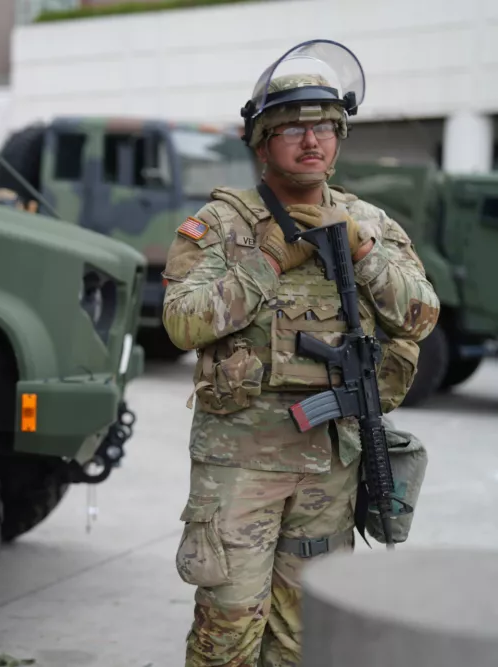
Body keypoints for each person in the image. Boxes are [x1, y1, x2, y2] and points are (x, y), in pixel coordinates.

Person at [162, 40, 439, 666]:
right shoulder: (223, 225)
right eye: (292, 128)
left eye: (325, 127)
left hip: (330, 465)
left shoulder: (367, 221)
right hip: (241, 464)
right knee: (227, 631)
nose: (312, 142)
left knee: (305, 636)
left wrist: (363, 254)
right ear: (262, 141)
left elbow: (420, 315)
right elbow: (181, 322)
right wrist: (267, 263)